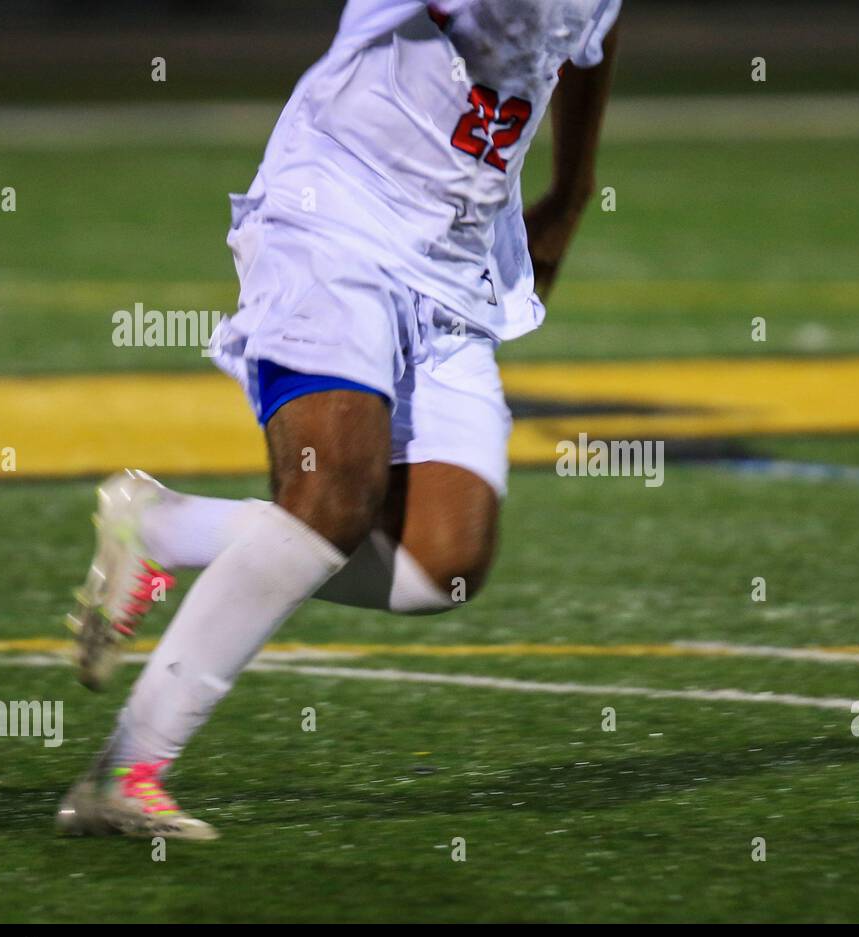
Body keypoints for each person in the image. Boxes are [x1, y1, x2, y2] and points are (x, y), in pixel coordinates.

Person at [57, 0, 621, 840]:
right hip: (338, 216)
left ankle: (168, 526)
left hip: (458, 261)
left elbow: (588, 40)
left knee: (443, 564)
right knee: (331, 497)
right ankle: (125, 771)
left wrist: (571, 191)